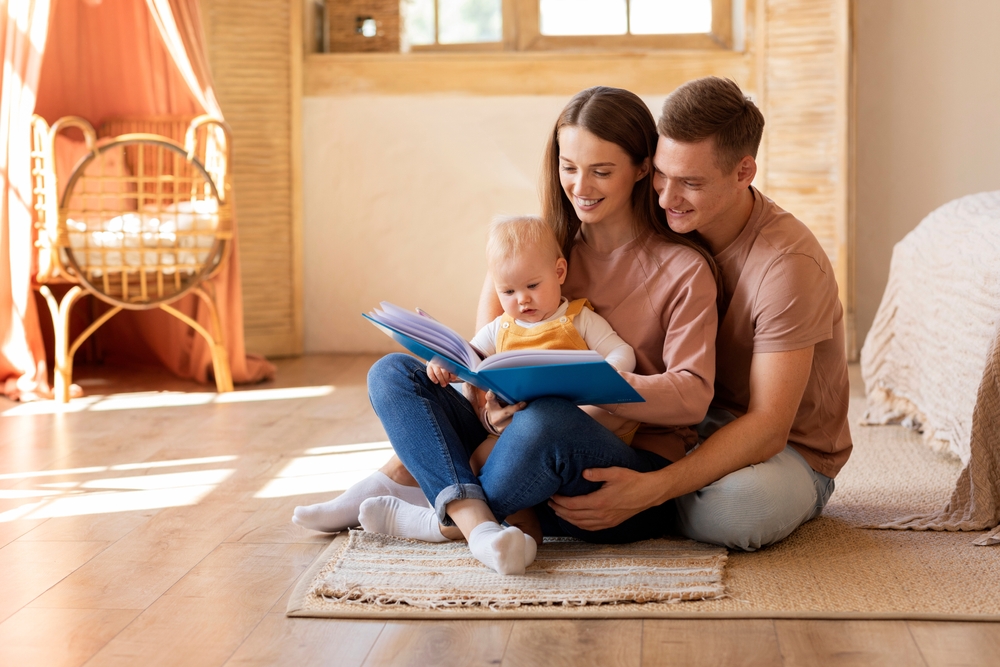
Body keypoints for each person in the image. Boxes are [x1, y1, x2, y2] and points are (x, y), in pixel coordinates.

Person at [294, 85, 720, 574]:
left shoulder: (684, 269)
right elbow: (489, 361)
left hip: (617, 472)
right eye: (569, 167)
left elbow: (692, 397)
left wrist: (590, 392)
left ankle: (432, 510)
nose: (581, 186)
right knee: (394, 373)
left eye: (602, 171)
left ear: (643, 168)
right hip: (512, 448)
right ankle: (478, 524)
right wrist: (489, 404)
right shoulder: (534, 253)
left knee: (548, 420)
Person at [548, 76, 852, 551]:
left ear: (743, 172)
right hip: (686, 421)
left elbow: (770, 426)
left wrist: (652, 488)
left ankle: (639, 501)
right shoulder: (671, 218)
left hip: (786, 448)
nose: (667, 198)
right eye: (663, 175)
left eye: (690, 183)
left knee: (737, 510)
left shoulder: (787, 264)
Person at [382, 213, 640, 545]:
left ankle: (443, 520)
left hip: (564, 430)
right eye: (507, 291)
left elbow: (622, 352)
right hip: (507, 432)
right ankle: (496, 519)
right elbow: (469, 360)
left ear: (559, 272)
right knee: (400, 378)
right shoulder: (501, 326)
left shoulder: (578, 319)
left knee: (496, 453)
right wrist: (443, 363)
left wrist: (605, 374)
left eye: (533, 286)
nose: (522, 299)